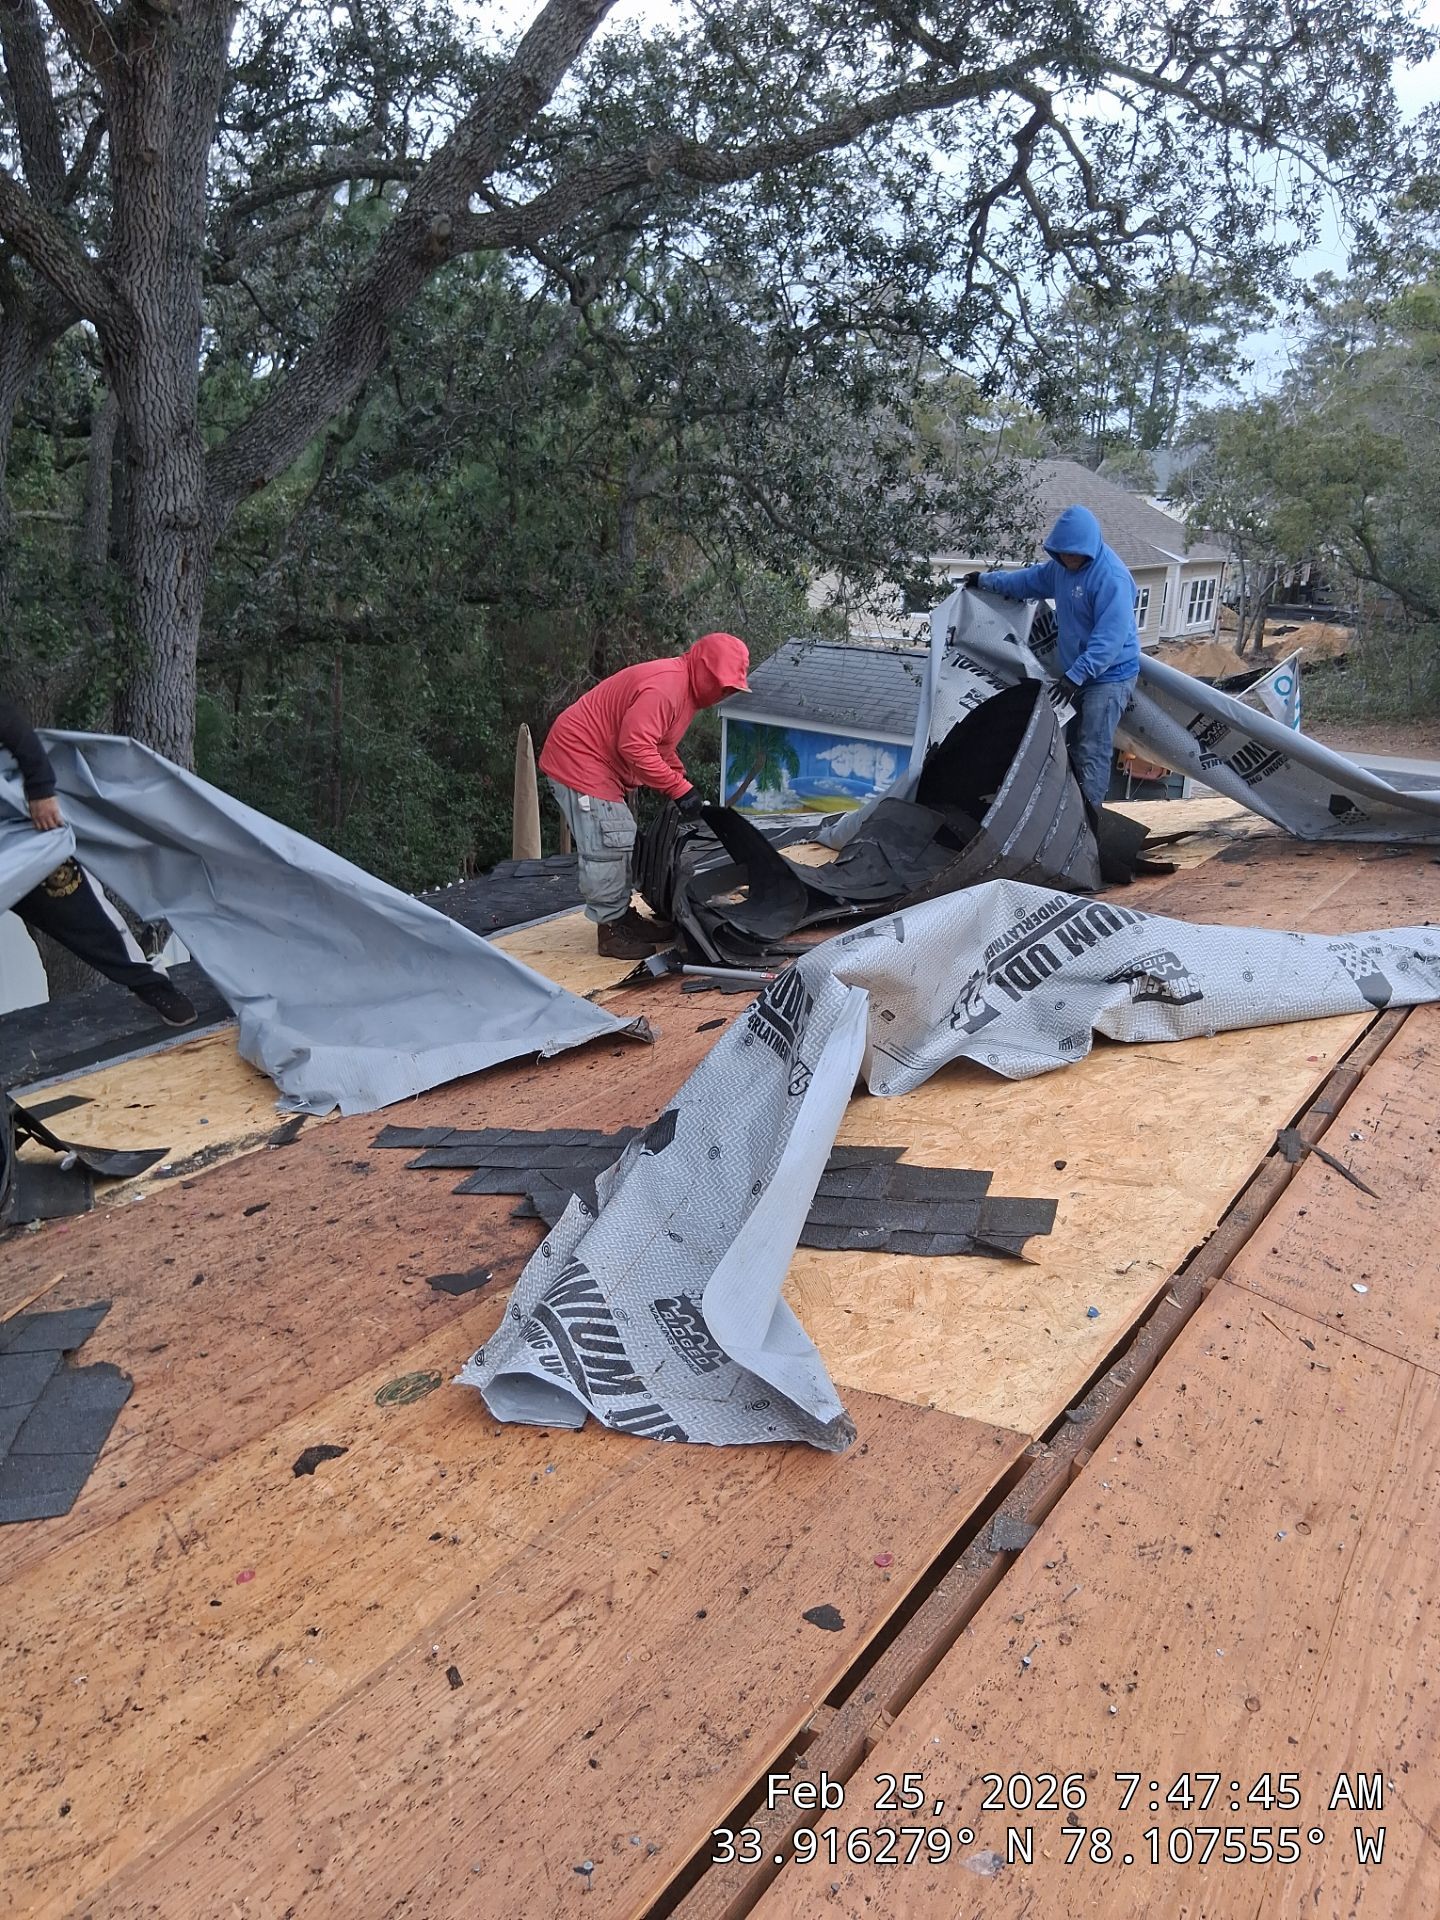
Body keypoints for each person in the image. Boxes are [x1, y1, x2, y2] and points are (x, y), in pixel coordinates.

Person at [539, 632, 751, 958]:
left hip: (597, 762)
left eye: (730, 689)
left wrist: (682, 782)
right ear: (704, 668)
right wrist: (678, 788)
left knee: (620, 837)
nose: (723, 693)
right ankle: (610, 932)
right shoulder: (667, 688)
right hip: (579, 758)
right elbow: (634, 745)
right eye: (722, 684)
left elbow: (660, 745)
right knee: (610, 841)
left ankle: (621, 917)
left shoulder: (684, 693)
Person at [0, 695, 198, 1025]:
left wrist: (41, 788)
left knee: (81, 910)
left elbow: (11, 725)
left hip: (13, 840)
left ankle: (152, 985)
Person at [964, 503, 1141, 809]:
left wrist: (1075, 676)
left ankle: (1089, 819)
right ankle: (1061, 807)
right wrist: (984, 581)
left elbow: (1108, 640)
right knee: (1058, 741)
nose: (1069, 559)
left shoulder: (1112, 578)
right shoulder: (1059, 570)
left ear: (1088, 550)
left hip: (1109, 676)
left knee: (1092, 748)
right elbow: (1023, 582)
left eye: (1074, 554)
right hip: (1075, 672)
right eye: (1063, 554)